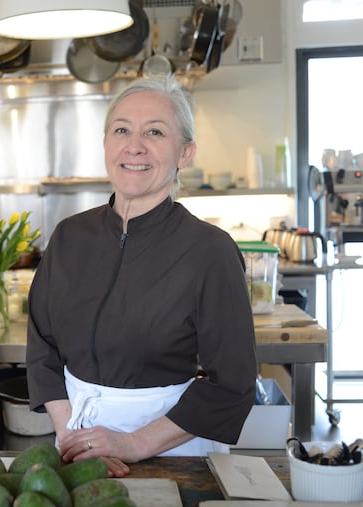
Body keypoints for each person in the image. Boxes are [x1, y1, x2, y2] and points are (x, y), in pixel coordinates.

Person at [26, 76, 257, 476]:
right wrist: (70, 435)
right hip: (77, 441)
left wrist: (134, 443)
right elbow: (43, 346)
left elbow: (233, 384)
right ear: (106, 145)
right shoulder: (69, 236)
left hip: (173, 451)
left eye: (154, 132)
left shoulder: (210, 251)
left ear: (185, 153)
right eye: (121, 130)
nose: (135, 145)